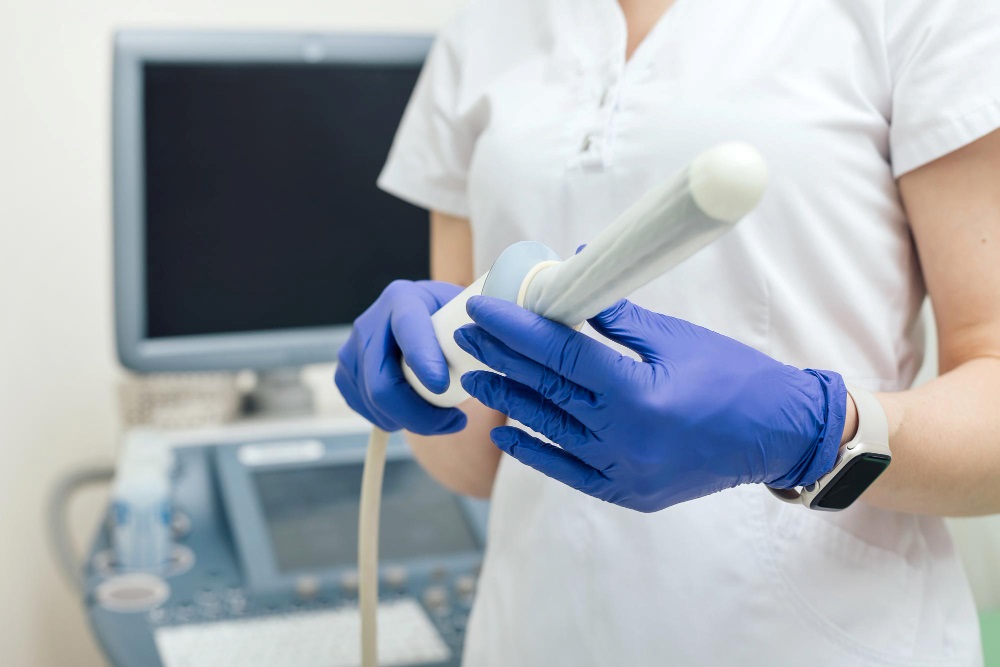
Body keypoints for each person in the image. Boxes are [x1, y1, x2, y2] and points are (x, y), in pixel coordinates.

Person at [335, 0, 1000, 664]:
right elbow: (478, 459)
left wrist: (817, 431)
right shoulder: (479, 33)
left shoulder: (919, 14)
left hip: (816, 635)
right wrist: (423, 370)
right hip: (536, 629)